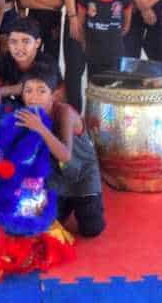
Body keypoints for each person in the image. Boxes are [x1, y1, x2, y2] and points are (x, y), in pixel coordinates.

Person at [16, 64, 105, 238]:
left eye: (41, 91)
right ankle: (66, 200)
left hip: (82, 173)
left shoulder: (65, 112)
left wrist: (40, 128)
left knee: (92, 229)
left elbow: (65, 155)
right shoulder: (27, 114)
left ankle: (82, 200)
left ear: (54, 95)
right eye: (28, 91)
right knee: (48, 224)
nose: (33, 97)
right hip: (57, 177)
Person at [78, 0, 133, 80]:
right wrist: (86, 45)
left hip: (116, 54)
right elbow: (80, 26)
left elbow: (125, 27)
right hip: (93, 55)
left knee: (115, 88)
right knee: (95, 87)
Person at [0, 17, 64, 107]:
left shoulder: (47, 63)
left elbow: (27, 88)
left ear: (37, 43)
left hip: (42, 109)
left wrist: (2, 91)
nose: (19, 48)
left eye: (26, 41)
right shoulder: (7, 59)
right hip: (18, 106)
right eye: (13, 42)